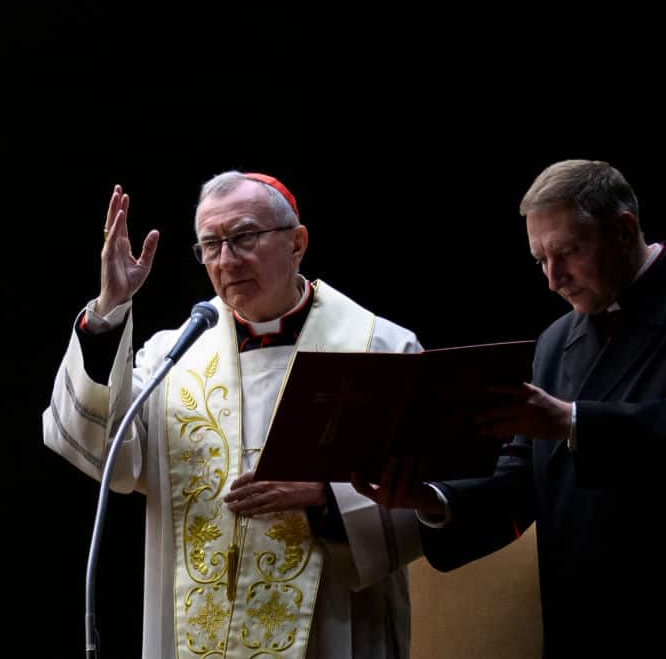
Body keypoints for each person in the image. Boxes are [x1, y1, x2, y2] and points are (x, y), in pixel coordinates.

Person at [353, 159, 666, 656]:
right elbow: (522, 479)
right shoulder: (557, 340)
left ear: (624, 231)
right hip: (583, 621)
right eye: (540, 260)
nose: (553, 279)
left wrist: (574, 421)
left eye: (568, 253)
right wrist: (433, 499)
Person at [43, 171, 423, 659]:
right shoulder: (173, 358)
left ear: (297, 242)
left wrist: (326, 498)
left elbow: (428, 494)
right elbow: (102, 450)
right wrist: (110, 311)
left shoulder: (381, 350)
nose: (226, 260)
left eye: (243, 237)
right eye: (210, 245)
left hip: (335, 620)